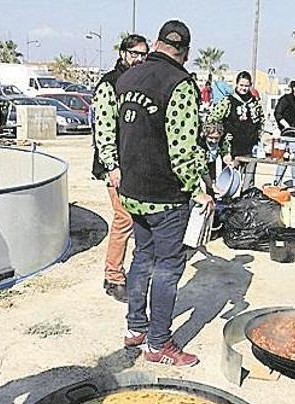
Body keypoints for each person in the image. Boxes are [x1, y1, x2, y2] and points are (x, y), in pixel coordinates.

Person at [113, 20, 214, 366]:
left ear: (156, 44)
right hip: (165, 195)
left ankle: (135, 327)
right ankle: (158, 344)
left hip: (132, 190)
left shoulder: (127, 78)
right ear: (184, 52)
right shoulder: (180, 84)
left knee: (142, 256)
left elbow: (111, 132)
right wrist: (197, 188)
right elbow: (184, 148)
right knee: (168, 268)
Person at [93, 33, 149, 303]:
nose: (139, 59)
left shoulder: (140, 82)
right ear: (124, 54)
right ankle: (113, 276)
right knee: (124, 219)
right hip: (117, 166)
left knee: (136, 219)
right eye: (135, 53)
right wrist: (112, 166)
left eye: (143, 54)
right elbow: (103, 129)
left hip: (137, 164)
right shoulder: (110, 84)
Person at [207, 70, 264, 189]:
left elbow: (261, 120)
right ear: (236, 84)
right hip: (231, 148)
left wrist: (259, 138)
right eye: (241, 85)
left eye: (247, 85)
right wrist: (221, 142)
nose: (244, 88)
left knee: (248, 182)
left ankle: (245, 203)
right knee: (229, 183)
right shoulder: (227, 101)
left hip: (250, 146)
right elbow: (212, 119)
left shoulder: (254, 102)